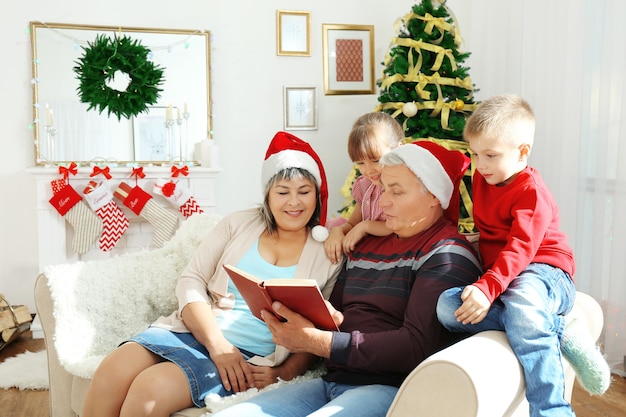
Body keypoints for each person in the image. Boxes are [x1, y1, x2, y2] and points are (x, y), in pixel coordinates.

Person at [82, 131, 344, 417]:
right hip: (195, 331)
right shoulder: (238, 223)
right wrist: (218, 345)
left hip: (247, 356)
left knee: (149, 391)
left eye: (304, 192)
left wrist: (285, 371)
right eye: (283, 192)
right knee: (112, 370)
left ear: (316, 194)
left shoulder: (327, 253)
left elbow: (320, 329)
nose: (294, 202)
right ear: (267, 195)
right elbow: (191, 280)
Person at [212, 141, 483, 417]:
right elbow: (335, 314)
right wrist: (311, 319)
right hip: (330, 382)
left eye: (397, 192)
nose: (383, 201)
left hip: (388, 389)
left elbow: (415, 347)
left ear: (434, 197)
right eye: (383, 189)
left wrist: (318, 342)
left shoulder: (447, 253)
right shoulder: (363, 245)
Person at [436, 94, 611, 417]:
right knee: (448, 307)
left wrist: (488, 287)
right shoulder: (482, 178)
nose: (481, 164)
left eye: (490, 155)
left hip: (545, 271)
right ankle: (556, 328)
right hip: (509, 278)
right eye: (475, 155)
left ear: (522, 153)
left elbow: (520, 248)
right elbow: (493, 231)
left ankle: (552, 410)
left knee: (523, 302)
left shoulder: (532, 191)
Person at [324, 112, 404, 264]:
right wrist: (338, 231)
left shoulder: (403, 186)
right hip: (367, 250)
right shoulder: (366, 185)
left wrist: (366, 226)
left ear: (399, 150)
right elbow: (352, 223)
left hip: (393, 253)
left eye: (376, 160)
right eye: (360, 163)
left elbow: (398, 225)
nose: (368, 170)